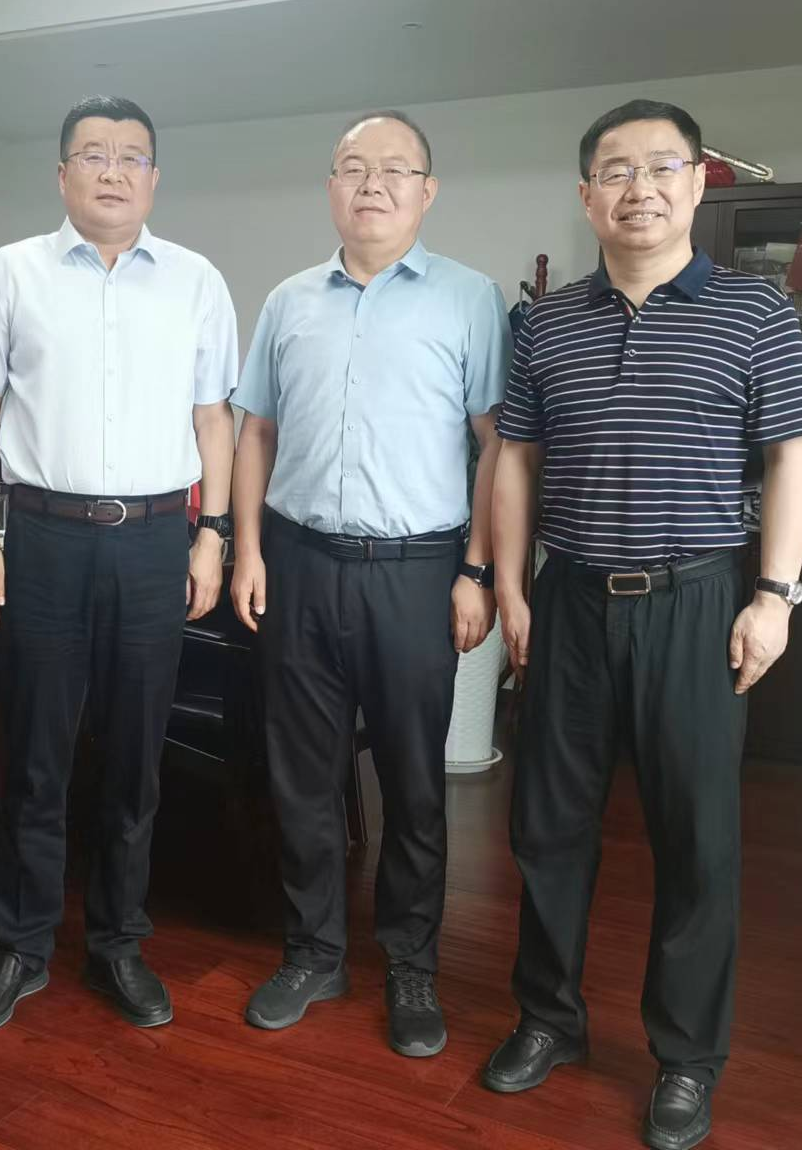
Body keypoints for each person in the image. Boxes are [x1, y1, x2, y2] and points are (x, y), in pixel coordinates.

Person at [483, 99, 802, 1150]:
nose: (639, 188)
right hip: (570, 601)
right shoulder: (545, 323)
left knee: (695, 839)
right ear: (587, 195)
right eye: (615, 170)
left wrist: (773, 596)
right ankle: (549, 1018)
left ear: (695, 181)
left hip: (697, 602)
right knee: (547, 828)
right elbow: (514, 458)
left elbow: (792, 457)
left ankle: (685, 1056)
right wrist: (511, 590)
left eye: (660, 166)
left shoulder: (756, 311)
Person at [0, 96, 238, 1034]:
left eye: (131, 156)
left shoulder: (196, 281)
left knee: (136, 759)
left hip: (155, 540)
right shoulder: (12, 272)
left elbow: (214, 421)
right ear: (62, 173)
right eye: (94, 154)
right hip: (44, 538)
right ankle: (22, 945)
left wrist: (212, 535)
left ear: (154, 177)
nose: (113, 171)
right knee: (36, 754)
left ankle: (118, 943)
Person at [230, 110, 511, 1057]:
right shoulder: (287, 302)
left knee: (412, 778)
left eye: (395, 170)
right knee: (302, 775)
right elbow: (256, 432)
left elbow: (496, 445)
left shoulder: (469, 299)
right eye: (354, 168)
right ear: (331, 188)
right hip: (299, 562)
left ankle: (411, 963)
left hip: (417, 572)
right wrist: (248, 551)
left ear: (427, 192)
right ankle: (314, 953)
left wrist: (476, 569)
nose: (373, 184)